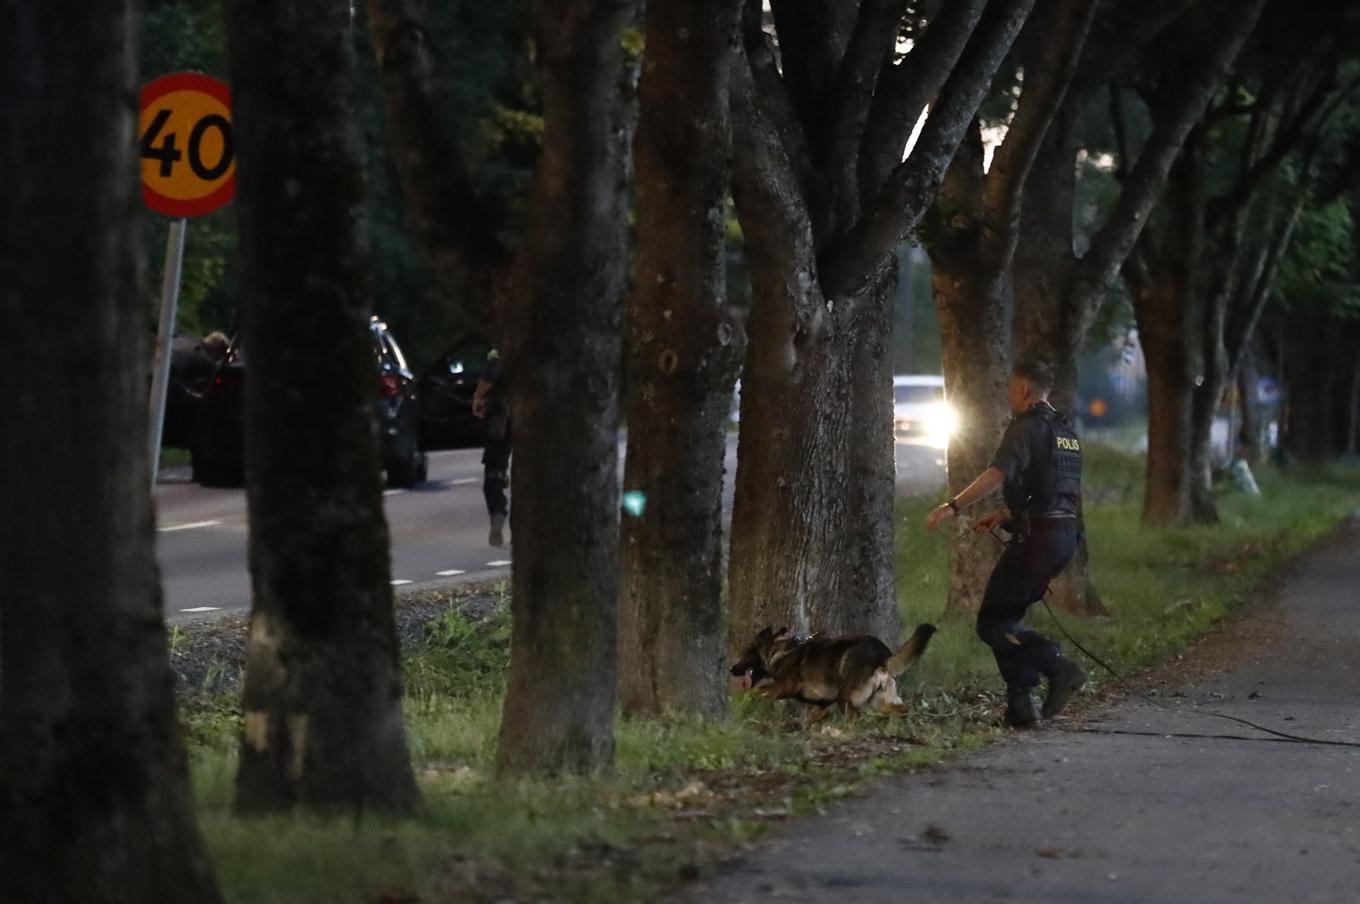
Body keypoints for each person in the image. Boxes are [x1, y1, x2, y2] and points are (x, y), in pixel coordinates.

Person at [925, 359, 1088, 727]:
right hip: (1062, 537)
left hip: (1039, 539)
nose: (1008, 396)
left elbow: (997, 474)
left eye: (1010, 389)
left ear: (1024, 390)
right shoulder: (1066, 433)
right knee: (1007, 621)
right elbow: (1056, 491)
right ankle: (1021, 706)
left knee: (992, 622)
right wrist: (1006, 516)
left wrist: (953, 506)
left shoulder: (1026, 428)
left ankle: (1056, 665)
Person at [471, 348, 511, 547]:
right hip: (535, 419)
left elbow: (492, 372)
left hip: (501, 416)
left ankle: (497, 511)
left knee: (495, 467)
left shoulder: (502, 345)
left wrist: (478, 397)